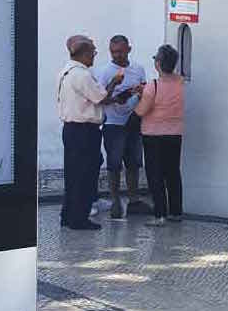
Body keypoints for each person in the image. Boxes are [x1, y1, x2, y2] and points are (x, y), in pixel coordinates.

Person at [57, 35, 127, 230]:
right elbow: (101, 98)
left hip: (71, 130)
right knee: (85, 175)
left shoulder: (65, 71)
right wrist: (114, 82)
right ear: (84, 54)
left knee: (73, 175)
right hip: (84, 131)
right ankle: (79, 218)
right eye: (93, 52)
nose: (95, 55)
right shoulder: (82, 75)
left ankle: (68, 215)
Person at [94, 35, 146, 219]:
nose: (117, 55)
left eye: (121, 51)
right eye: (113, 52)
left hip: (133, 122)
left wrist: (138, 94)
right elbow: (99, 99)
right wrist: (116, 96)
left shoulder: (138, 69)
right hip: (112, 123)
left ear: (129, 49)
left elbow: (144, 92)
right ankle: (115, 200)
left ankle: (134, 200)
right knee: (114, 164)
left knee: (133, 163)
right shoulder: (104, 72)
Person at [135, 44, 185, 226]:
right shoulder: (181, 82)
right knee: (173, 173)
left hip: (153, 135)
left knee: (155, 175)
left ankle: (160, 214)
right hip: (175, 133)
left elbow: (141, 111)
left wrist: (140, 97)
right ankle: (176, 211)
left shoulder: (153, 86)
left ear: (158, 63)